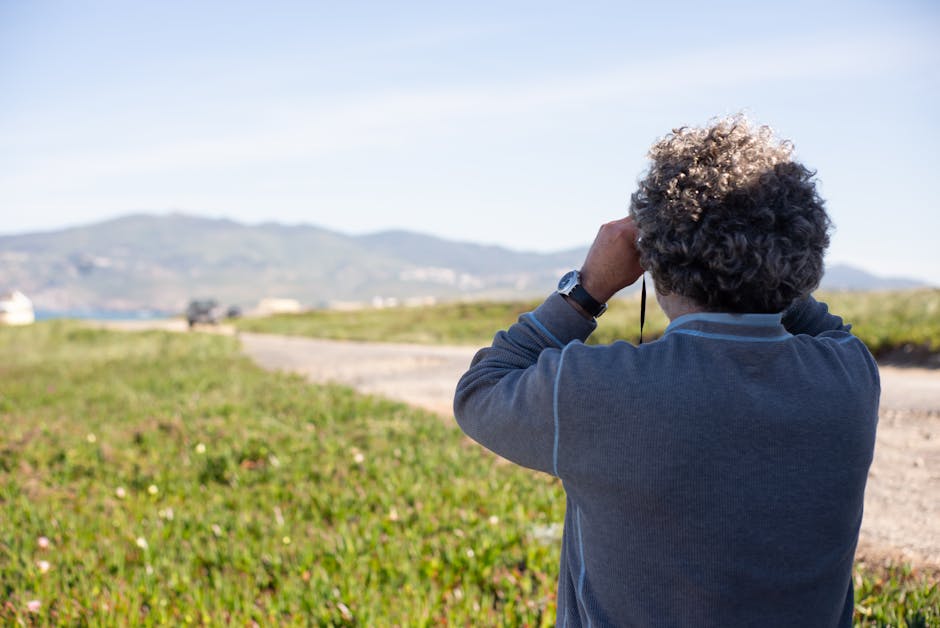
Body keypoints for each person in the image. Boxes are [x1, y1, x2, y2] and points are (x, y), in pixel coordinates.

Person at [453, 116, 879, 627]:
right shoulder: (851, 378)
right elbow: (828, 329)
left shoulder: (596, 390)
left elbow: (480, 391)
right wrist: (767, 261)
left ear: (653, 258)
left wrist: (586, 289)